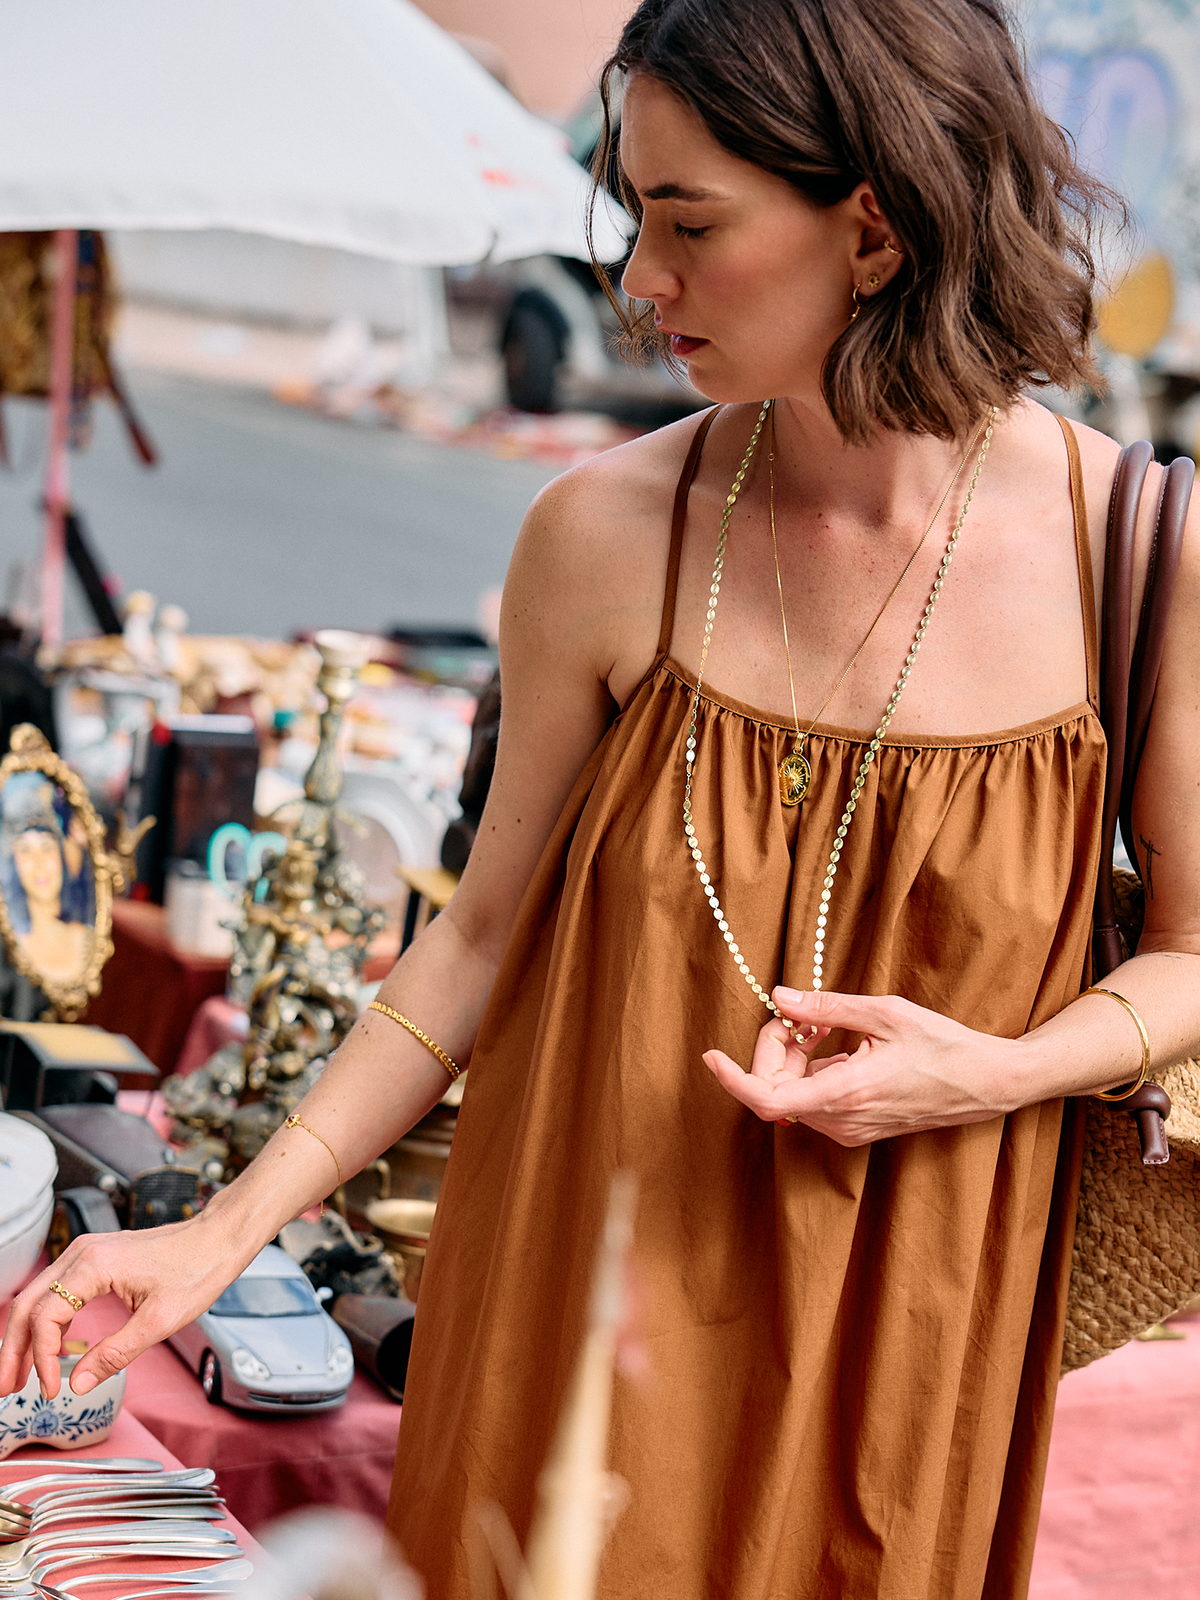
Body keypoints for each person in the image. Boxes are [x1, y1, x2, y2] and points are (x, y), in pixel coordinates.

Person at [4, 1, 1200, 1594]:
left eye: (689, 223)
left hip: (912, 1338)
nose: (640, 284)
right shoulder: (605, 535)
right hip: (571, 1307)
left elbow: (1187, 961)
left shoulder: (1137, 557)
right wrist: (221, 1234)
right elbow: (473, 940)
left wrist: (995, 1074)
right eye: (632, 214)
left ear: (878, 225)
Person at [0, 780, 92, 983]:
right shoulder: (9, 948)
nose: (38, 863)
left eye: (47, 847)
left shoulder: (92, 943)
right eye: (25, 850)